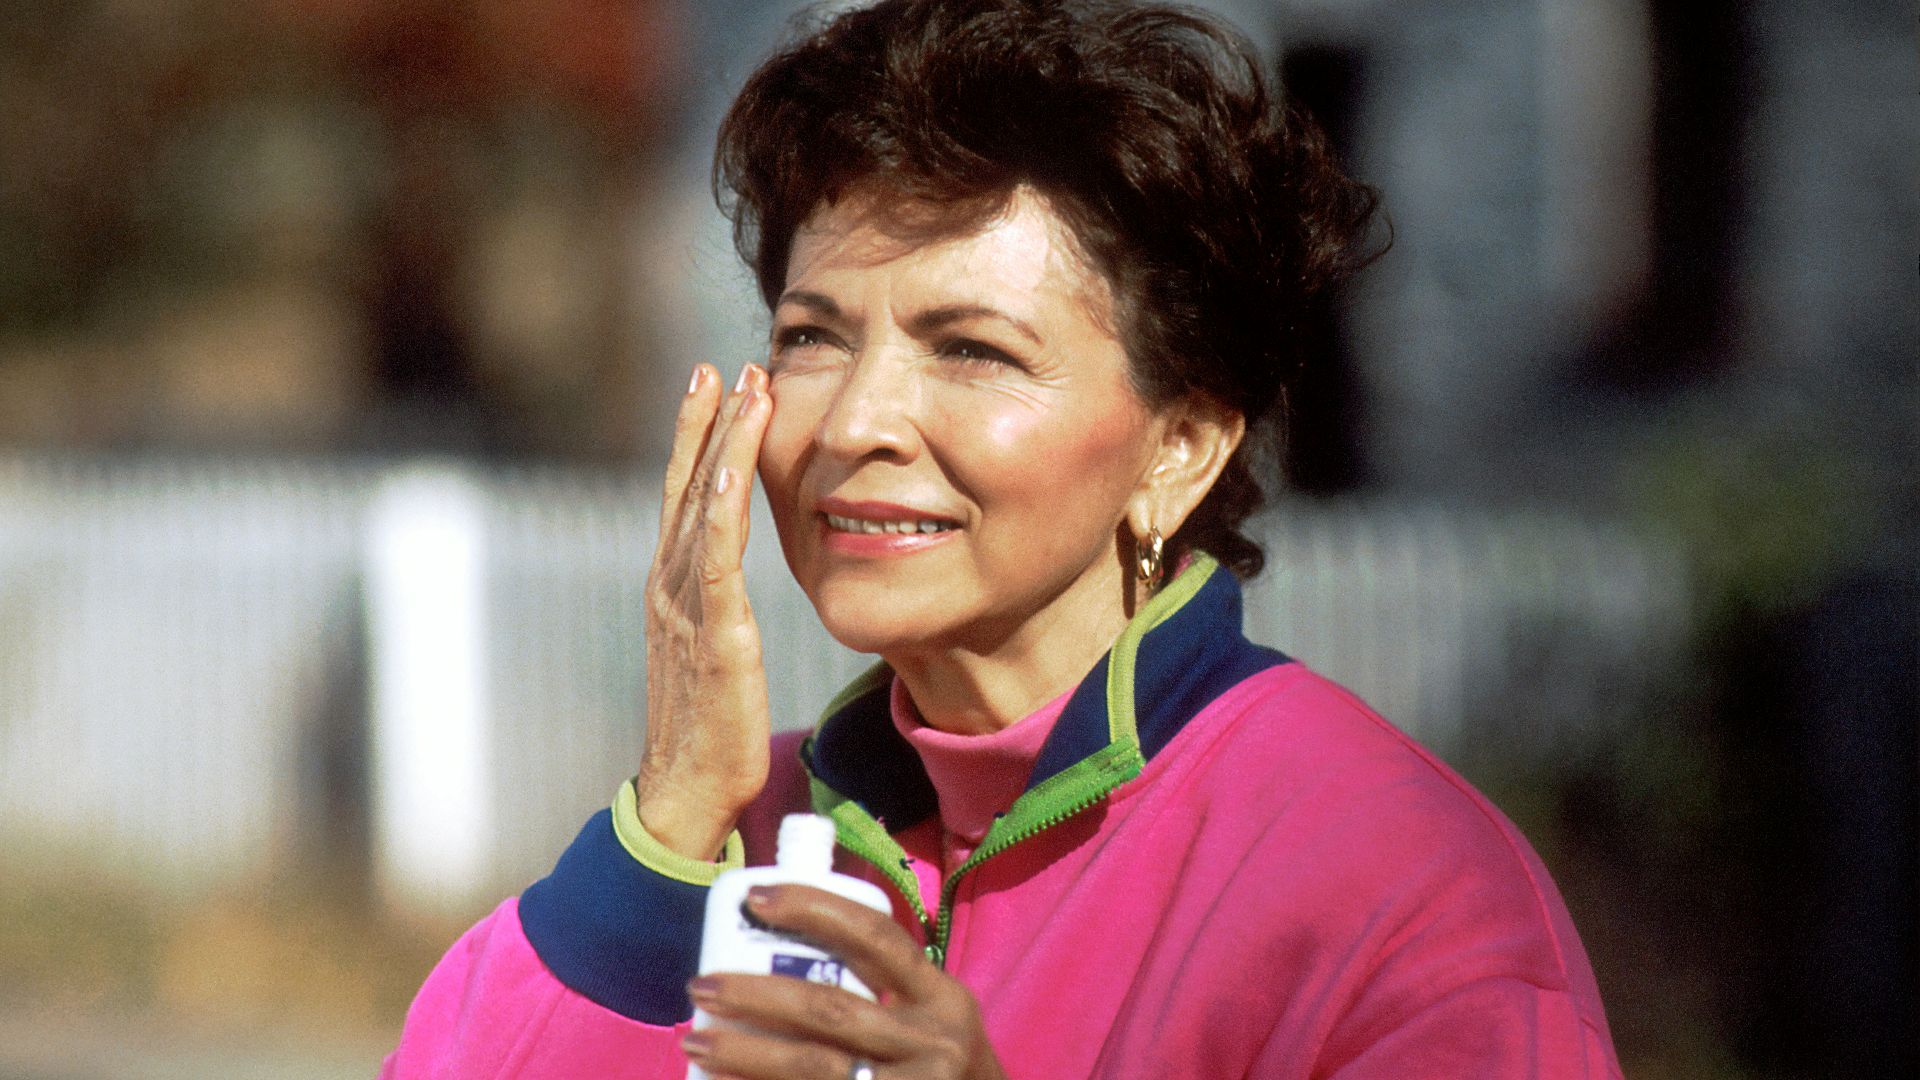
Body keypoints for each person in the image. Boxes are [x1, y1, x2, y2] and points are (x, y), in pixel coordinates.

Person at [384, 1, 1622, 1077]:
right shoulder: (718, 834)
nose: (858, 422)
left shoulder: (1390, 884)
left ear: (1181, 445)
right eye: (813, 335)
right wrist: (664, 832)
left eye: (972, 350)